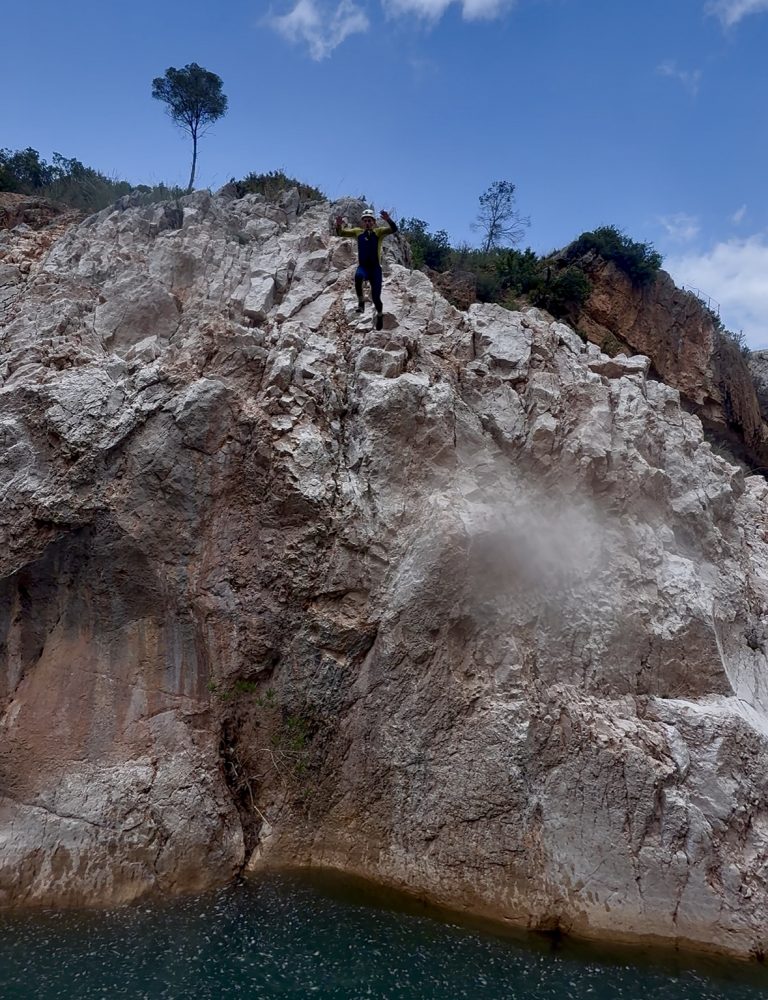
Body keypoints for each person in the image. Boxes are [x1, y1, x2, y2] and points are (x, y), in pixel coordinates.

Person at [335, 208, 398, 330]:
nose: (367, 223)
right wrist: (338, 224)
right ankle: (361, 302)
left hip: (375, 269)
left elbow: (394, 229)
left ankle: (379, 315)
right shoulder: (358, 232)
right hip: (363, 267)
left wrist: (388, 219)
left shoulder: (379, 232)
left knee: (376, 298)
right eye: (365, 221)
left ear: (374, 222)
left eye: (369, 220)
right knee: (358, 277)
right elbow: (341, 233)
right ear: (362, 222)